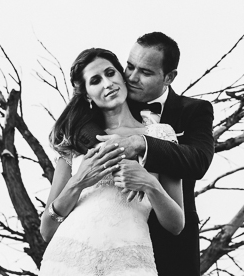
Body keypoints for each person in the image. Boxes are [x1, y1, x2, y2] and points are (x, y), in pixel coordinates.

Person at [39, 48, 185, 276]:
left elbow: (176, 224)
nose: (107, 84)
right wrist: (79, 181)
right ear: (87, 94)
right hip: (68, 259)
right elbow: (47, 230)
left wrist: (149, 183)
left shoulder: (160, 135)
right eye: (95, 80)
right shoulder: (74, 141)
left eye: (110, 73)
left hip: (130, 262)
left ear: (122, 76)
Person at [98, 32, 214, 276]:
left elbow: (198, 160)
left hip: (173, 247)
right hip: (113, 242)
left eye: (146, 72)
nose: (131, 77)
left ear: (169, 77)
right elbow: (78, 130)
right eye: (129, 66)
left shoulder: (194, 111)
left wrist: (142, 143)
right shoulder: (112, 102)